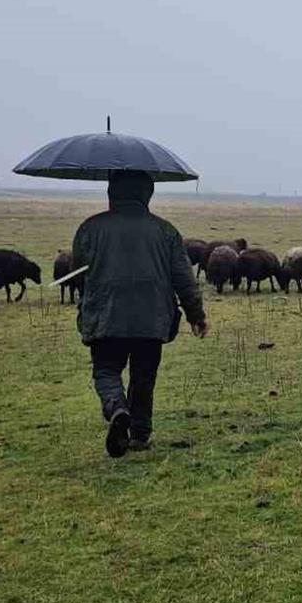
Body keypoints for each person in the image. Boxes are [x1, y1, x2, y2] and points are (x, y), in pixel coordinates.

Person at [72, 170, 209, 457]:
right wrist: (196, 314)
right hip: (152, 319)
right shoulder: (166, 231)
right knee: (144, 375)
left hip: (106, 316)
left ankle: (116, 407)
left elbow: (79, 273)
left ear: (112, 191)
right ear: (147, 193)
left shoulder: (90, 228)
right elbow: (183, 277)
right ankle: (140, 434)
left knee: (106, 370)